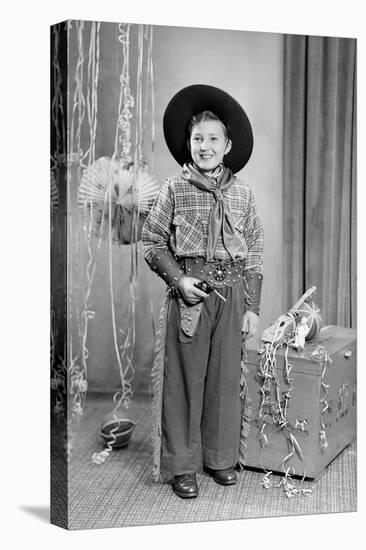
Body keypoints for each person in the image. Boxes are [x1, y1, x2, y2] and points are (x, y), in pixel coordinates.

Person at [141, 84, 264, 499]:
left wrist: (252, 306)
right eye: (198, 139)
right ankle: (183, 465)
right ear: (188, 144)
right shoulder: (174, 189)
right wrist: (179, 281)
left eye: (213, 139)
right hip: (191, 295)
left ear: (228, 145)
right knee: (185, 381)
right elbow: (152, 242)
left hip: (231, 297)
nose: (205, 146)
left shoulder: (243, 193)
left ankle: (220, 456)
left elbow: (255, 250)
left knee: (225, 381)